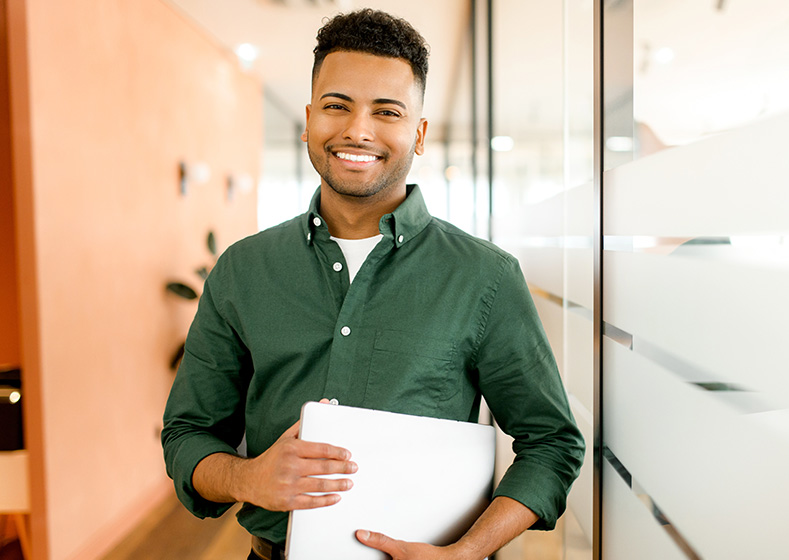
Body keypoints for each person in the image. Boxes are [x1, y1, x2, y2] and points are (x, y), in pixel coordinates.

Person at [161, 8, 584, 560]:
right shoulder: (243, 270)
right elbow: (188, 433)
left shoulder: (485, 277)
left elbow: (551, 444)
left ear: (420, 133)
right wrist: (248, 480)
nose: (358, 130)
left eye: (387, 111)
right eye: (337, 106)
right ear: (310, 119)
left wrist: (469, 552)